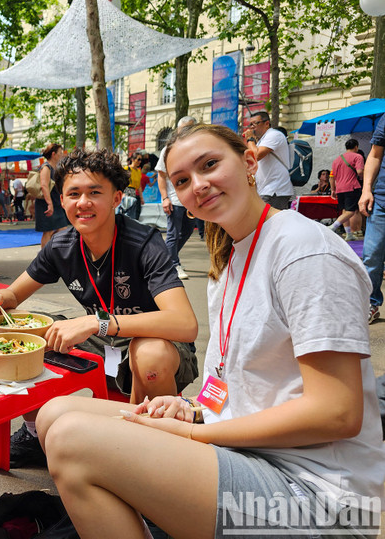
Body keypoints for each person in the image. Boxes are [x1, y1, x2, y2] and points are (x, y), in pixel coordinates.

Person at [37, 123, 385, 539]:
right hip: (250, 455)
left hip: (318, 500)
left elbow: (338, 413)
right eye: (182, 180)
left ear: (250, 162)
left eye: (210, 165)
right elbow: (227, 377)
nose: (198, 185)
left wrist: (191, 431)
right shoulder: (231, 255)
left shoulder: (302, 251)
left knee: (74, 441)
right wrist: (195, 408)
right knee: (54, 413)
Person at [0, 148, 198, 468]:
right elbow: (10, 297)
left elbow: (185, 323)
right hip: (100, 342)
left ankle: (155, 453)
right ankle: (35, 432)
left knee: (151, 355)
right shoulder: (61, 244)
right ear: (62, 200)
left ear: (117, 197)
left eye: (95, 192)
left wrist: (97, 322)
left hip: (156, 344)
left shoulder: (144, 242)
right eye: (74, 193)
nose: (84, 202)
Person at [155, 115, 197, 281]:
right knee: (173, 233)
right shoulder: (169, 150)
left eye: (189, 129)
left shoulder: (198, 147)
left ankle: (167, 259)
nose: (186, 133)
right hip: (175, 200)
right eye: (183, 130)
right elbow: (161, 175)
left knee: (187, 231)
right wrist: (165, 198)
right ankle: (173, 263)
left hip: (192, 200)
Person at [359, 114, 385, 324]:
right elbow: (375, 155)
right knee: (372, 254)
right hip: (382, 198)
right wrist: (366, 189)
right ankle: (371, 302)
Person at [244, 111, 293, 209]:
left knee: (268, 222)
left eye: (256, 123)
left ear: (267, 123)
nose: (252, 127)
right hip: (266, 190)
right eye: (251, 124)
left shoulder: (274, 135)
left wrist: (250, 139)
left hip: (275, 190)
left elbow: (256, 155)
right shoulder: (262, 140)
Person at [34, 143, 70, 247]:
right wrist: (49, 204)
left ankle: (50, 251)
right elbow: (44, 186)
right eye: (60, 153)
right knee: (48, 231)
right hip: (47, 203)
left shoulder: (55, 168)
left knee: (62, 228)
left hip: (55, 202)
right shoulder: (46, 167)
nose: (62, 154)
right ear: (54, 154)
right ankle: (44, 256)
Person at [329, 139, 365, 241]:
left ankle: (348, 234)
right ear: (356, 147)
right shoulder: (358, 156)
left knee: (344, 211)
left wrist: (333, 189)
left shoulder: (337, 159)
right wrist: (363, 178)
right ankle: (333, 227)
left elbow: (332, 177)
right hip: (352, 187)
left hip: (340, 188)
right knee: (351, 211)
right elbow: (359, 171)